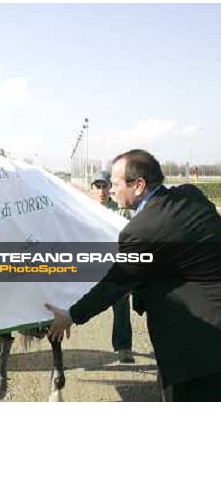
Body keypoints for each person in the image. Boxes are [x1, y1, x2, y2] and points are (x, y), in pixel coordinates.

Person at [48, 149, 221, 401]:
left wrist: (71, 315)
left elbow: (114, 284)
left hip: (194, 350)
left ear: (138, 185)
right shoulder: (190, 195)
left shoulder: (140, 231)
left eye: (116, 184)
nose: (112, 189)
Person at [90, 170, 135, 363]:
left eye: (105, 186)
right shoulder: (84, 210)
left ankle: (124, 347)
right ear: (92, 189)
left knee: (121, 301)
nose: (101, 191)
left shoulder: (121, 211)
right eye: (97, 186)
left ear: (110, 188)